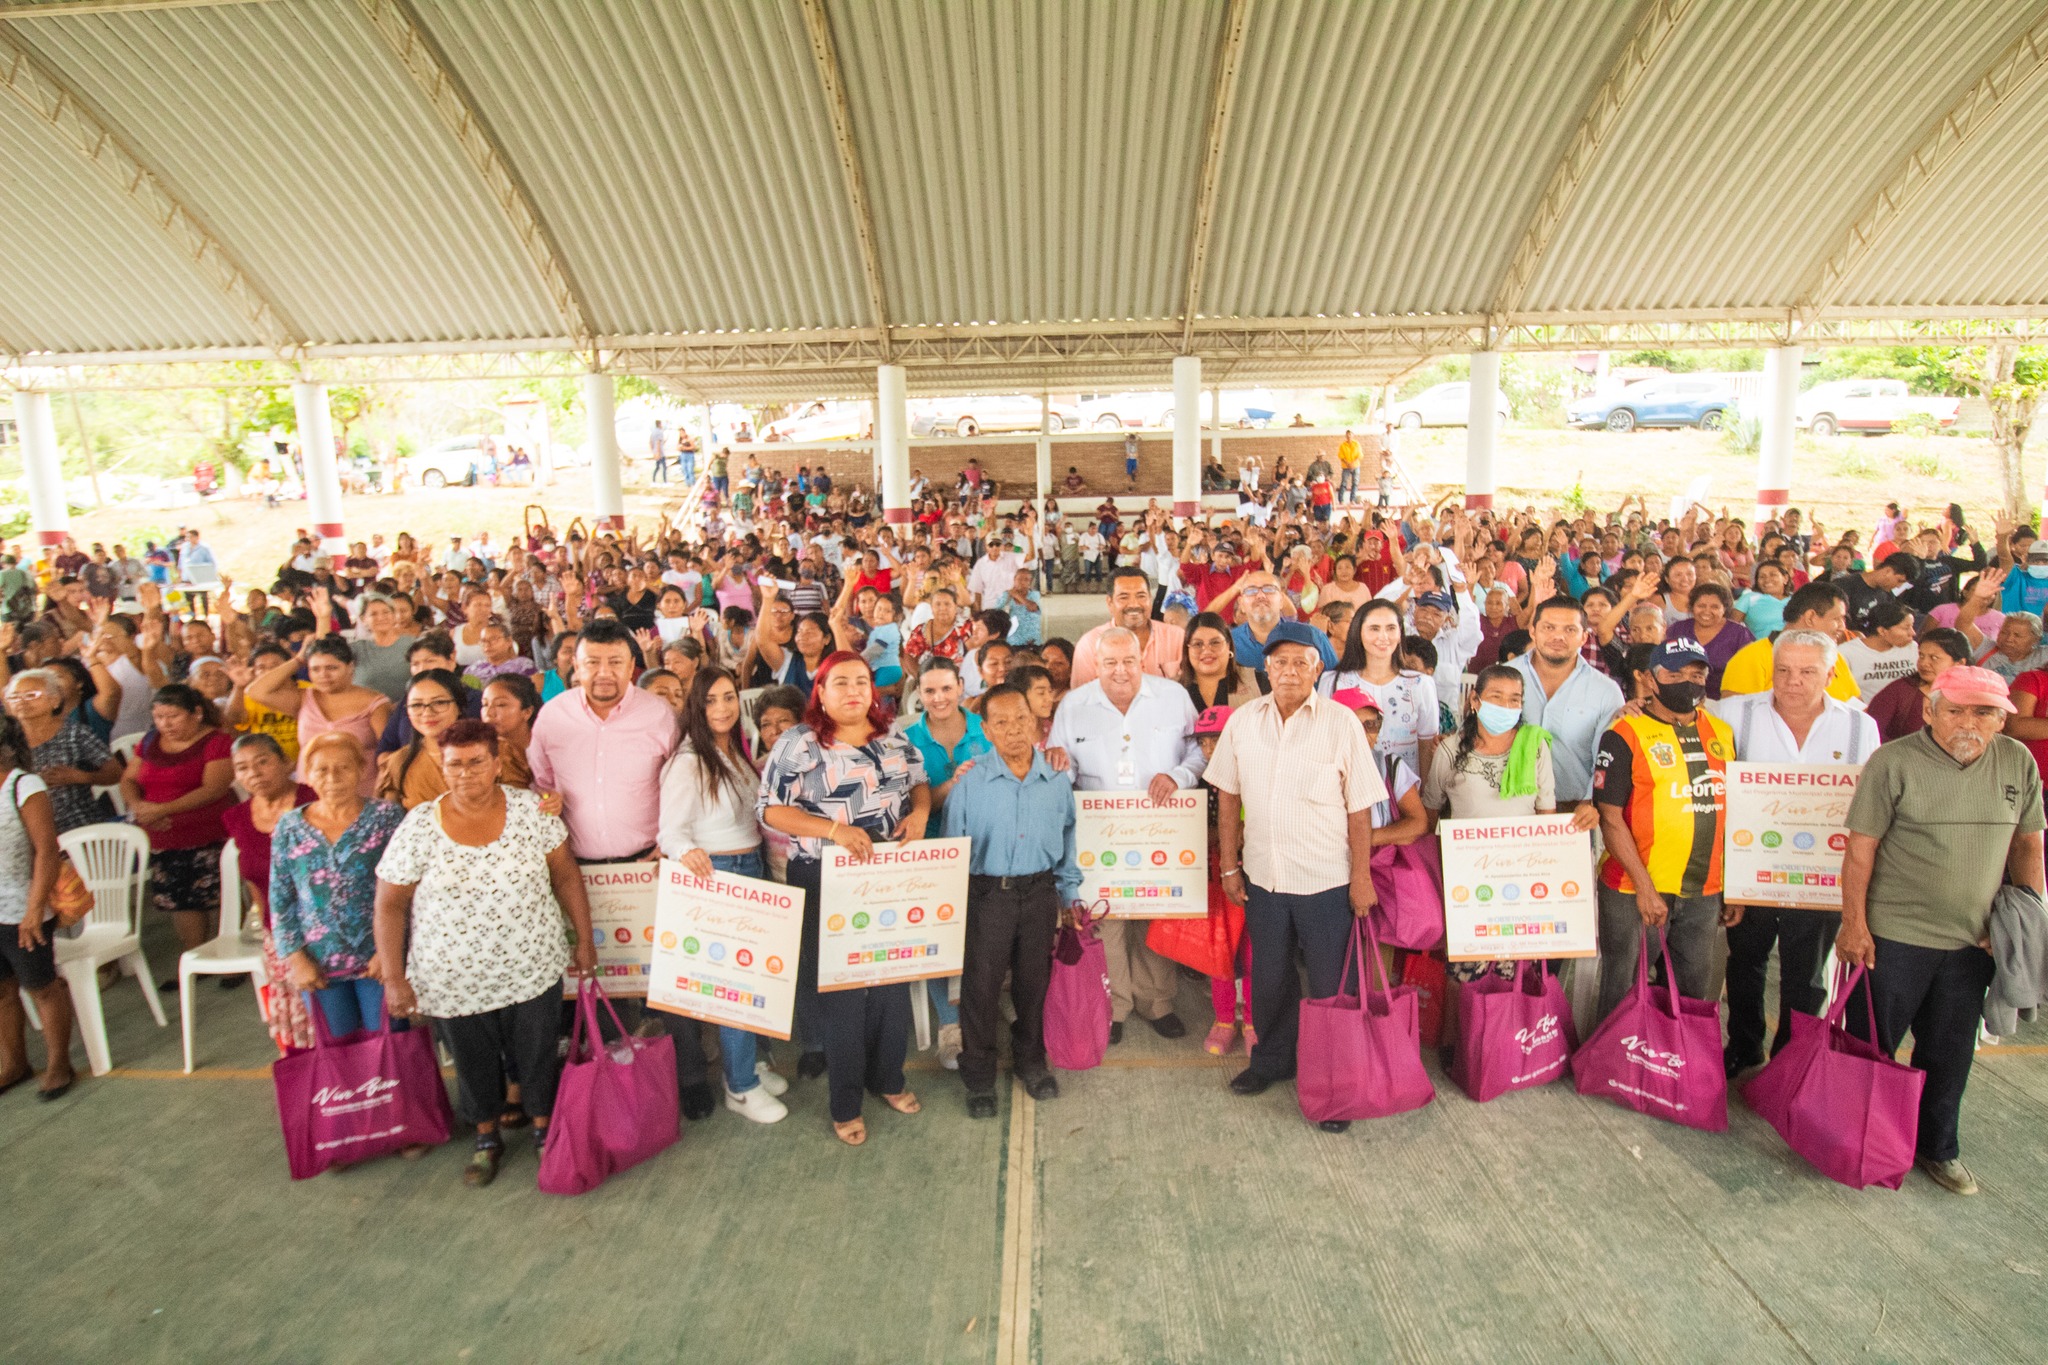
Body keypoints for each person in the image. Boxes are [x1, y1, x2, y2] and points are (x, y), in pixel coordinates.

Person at [1837, 666, 2045, 1196]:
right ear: (1931, 710)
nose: (1967, 722)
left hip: (1972, 940)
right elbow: (1861, 850)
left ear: (2004, 718)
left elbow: (2026, 847)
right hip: (1892, 938)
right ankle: (1866, 1141)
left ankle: (1937, 1148)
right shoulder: (1894, 761)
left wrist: (2024, 920)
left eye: (1984, 711)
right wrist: (1855, 924)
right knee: (1873, 1048)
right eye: (1955, 709)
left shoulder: (2017, 762)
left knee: (1949, 1051)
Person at [374, 720, 599, 1188]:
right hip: (452, 977)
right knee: (471, 1058)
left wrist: (584, 939)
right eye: (456, 764)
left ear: (497, 763)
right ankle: (485, 1137)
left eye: (478, 761)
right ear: (441, 765)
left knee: (536, 1052)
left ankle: (542, 1128)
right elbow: (390, 903)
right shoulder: (419, 825)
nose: (467, 772)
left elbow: (565, 877)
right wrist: (395, 977)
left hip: (531, 965)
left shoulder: (532, 812)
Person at [1207, 622, 1384, 1132]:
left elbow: (1359, 808)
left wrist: (1360, 877)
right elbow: (1228, 794)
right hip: (1264, 878)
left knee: (1332, 987)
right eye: (1279, 661)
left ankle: (1336, 1083)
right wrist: (1229, 864)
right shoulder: (1244, 721)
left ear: (1318, 668)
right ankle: (1272, 1062)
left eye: (1300, 661)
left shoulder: (1341, 724)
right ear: (1264, 667)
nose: (1288, 670)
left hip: (1326, 881)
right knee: (1269, 979)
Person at [759, 652, 931, 1146]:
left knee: (892, 979)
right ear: (822, 691)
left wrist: (919, 814)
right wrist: (834, 829)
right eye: (841, 682)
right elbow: (772, 811)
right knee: (843, 992)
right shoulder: (800, 743)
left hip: (889, 876)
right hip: (822, 876)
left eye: (862, 681)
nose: (853, 690)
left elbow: (918, 786)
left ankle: (889, 1078)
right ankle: (846, 1100)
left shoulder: (892, 738)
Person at [1714, 631, 1881, 1074]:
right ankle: (1744, 1044)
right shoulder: (1731, 714)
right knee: (1745, 962)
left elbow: (1871, 802)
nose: (1793, 681)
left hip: (1822, 875)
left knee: (1805, 975)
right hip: (1751, 872)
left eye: (1808, 672)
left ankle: (1790, 1057)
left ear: (1831, 673)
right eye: (1783, 670)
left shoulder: (1859, 725)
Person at [1421, 665, 1598, 1064]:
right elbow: (1431, 811)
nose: (1505, 705)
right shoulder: (1450, 749)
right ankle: (1455, 1045)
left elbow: (1546, 814)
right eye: (1496, 697)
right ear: (1475, 700)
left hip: (1521, 875)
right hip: (1466, 875)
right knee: (1462, 964)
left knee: (1510, 963)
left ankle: (1502, 1039)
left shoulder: (1534, 745)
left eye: (1514, 700)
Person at [1045, 626, 1205, 1042]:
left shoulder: (1172, 697)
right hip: (1103, 832)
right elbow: (1067, 769)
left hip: (1162, 829)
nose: (1120, 670)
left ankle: (1157, 1002)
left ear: (1142, 660)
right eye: (1110, 662)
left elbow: (1199, 751)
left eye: (1128, 661)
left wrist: (1177, 774)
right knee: (1107, 919)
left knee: (1156, 917)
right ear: (1096, 664)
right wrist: (1060, 764)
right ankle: (1115, 1005)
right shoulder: (1075, 705)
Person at [655, 666, 789, 1125]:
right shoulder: (689, 759)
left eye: (729, 697)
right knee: (735, 990)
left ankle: (746, 1064)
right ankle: (740, 1088)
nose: (722, 708)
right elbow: (671, 832)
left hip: (752, 866)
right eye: (710, 700)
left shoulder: (735, 752)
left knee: (754, 985)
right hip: (720, 875)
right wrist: (688, 852)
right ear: (696, 706)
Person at [940, 683, 1079, 1117]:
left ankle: (1031, 1063)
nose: (1013, 730)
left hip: (1040, 893)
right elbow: (953, 849)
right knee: (980, 990)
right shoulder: (971, 781)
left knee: (1033, 985)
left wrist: (1069, 894)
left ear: (1037, 722)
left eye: (1020, 719)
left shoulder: (1056, 778)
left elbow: (1069, 837)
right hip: (987, 895)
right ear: (986, 729)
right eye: (1000, 722)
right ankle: (979, 1077)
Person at [1592, 638, 1736, 1023]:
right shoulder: (1625, 733)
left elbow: (1733, 811)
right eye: (1675, 674)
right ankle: (1613, 1062)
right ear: (1652, 681)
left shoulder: (1722, 732)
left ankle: (1674, 1067)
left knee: (1692, 988)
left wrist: (1734, 886)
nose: (1687, 682)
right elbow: (1610, 818)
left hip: (1704, 888)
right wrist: (1644, 888)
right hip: (1634, 887)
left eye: (1696, 674)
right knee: (1623, 984)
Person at [269, 733, 408, 1042]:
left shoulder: (386, 818)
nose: (332, 778)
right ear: (307, 774)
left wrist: (390, 953)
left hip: (378, 958)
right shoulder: (289, 827)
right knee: (338, 1050)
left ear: (361, 769)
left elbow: (407, 892)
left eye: (343, 768)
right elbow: (280, 899)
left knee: (387, 1043)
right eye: (321, 770)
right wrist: (297, 959)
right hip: (319, 965)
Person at [122, 684, 236, 964]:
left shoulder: (217, 742)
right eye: (159, 717)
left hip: (207, 832)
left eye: (172, 716)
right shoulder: (149, 742)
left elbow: (214, 789)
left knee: (222, 897)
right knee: (181, 901)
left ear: (196, 713)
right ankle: (196, 957)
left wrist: (163, 809)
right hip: (162, 835)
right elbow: (128, 779)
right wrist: (139, 807)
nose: (165, 724)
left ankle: (229, 959)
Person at [219, 734, 316, 1046]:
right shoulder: (236, 818)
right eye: (243, 767)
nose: (254, 773)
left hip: (327, 926)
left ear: (286, 762)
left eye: (262, 762)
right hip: (281, 932)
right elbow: (253, 879)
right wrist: (269, 932)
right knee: (295, 1021)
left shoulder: (314, 801)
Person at [0, 714, 77, 1100]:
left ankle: (58, 1063)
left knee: (41, 986)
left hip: (21, 906)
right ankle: (14, 1063)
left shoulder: (22, 785)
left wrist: (33, 911)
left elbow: (46, 850)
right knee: (1, 990)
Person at [245, 635, 392, 798]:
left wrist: (383, 793)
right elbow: (256, 691)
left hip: (361, 794)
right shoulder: (303, 698)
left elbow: (388, 752)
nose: (323, 675)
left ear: (350, 667)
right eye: (315, 669)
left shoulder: (375, 703)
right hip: (310, 793)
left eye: (332, 668)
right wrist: (299, 660)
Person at [1328, 598, 1440, 777]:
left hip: (1407, 797)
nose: (1383, 637)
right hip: (1350, 789)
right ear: (1358, 632)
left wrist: (1424, 798)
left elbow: (1426, 746)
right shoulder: (1334, 681)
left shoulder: (1421, 685)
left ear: (1400, 633)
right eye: (1374, 628)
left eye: (1390, 628)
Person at [5, 670, 121, 833]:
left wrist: (82, 777)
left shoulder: (74, 733)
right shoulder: (6, 740)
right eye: (15, 697)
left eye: (31, 695)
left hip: (77, 824)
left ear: (55, 700)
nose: (22, 702)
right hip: (24, 830)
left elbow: (115, 772)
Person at [1717, 582, 1859, 701]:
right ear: (1810, 617)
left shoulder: (1834, 658)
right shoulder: (1752, 658)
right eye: (1837, 619)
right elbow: (1736, 718)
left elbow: (1858, 708)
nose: (1843, 627)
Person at [1070, 568, 1185, 684]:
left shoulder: (1177, 637)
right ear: (1110, 603)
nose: (1134, 604)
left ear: (1150, 599)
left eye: (1141, 596)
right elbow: (1082, 698)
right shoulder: (1090, 645)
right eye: (1124, 597)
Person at [376, 670, 470, 809]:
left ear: (459, 707)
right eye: (417, 705)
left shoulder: (493, 751)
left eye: (439, 702)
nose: (427, 712)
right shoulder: (399, 762)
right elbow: (390, 822)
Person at [1866, 627, 1971, 743]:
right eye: (1921, 656)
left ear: (1960, 663)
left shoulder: (1975, 696)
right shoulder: (1899, 691)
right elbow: (1869, 732)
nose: (1924, 663)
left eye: (1934, 658)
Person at [1664, 583, 1753, 698]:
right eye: (1701, 606)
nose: (1707, 611)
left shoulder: (1740, 634)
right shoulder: (1677, 629)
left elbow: (1749, 673)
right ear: (1692, 607)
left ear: (1724, 609)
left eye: (1715, 607)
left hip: (1725, 701)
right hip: (1679, 698)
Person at [1837, 599, 1920, 699]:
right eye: (1906, 628)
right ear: (1882, 631)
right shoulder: (1846, 653)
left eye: (1912, 626)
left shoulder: (1913, 648)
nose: (1913, 633)